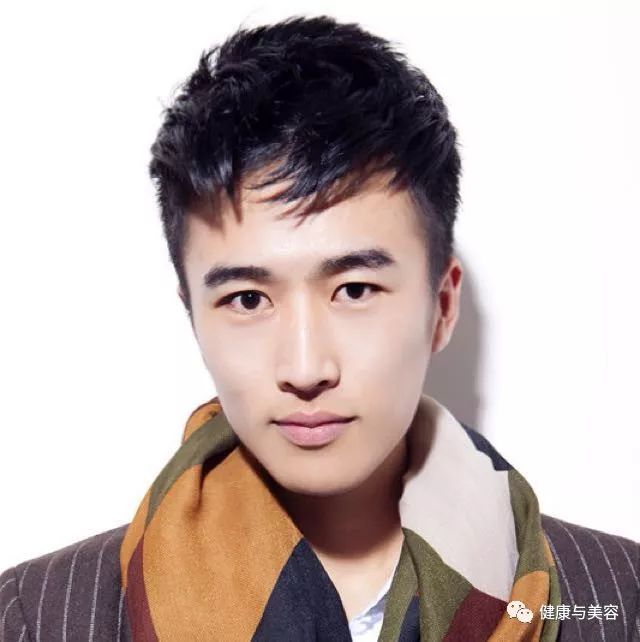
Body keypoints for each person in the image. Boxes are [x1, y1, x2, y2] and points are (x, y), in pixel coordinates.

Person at [1, 14, 638, 642]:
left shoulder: (617, 598)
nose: (305, 368)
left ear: (442, 307)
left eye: (354, 290)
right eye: (247, 299)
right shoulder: (42, 617)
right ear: (192, 315)